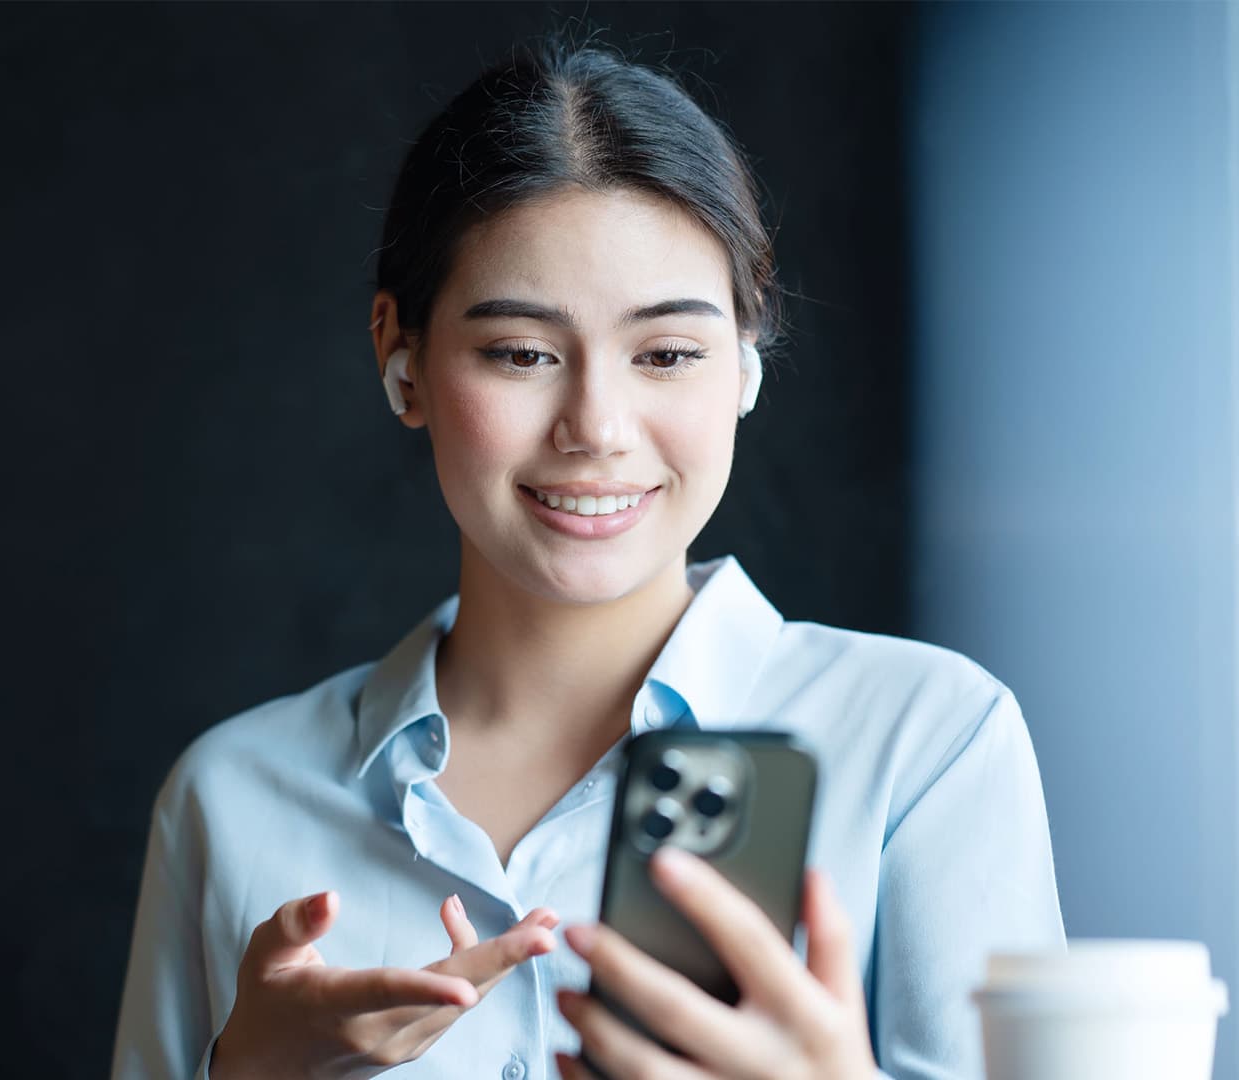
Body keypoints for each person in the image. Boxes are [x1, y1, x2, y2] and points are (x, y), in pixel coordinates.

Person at [109, 30, 1064, 1080]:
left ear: (746, 362)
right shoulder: (234, 795)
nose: (596, 426)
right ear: (401, 354)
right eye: (521, 353)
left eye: (667, 354)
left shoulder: (925, 747)